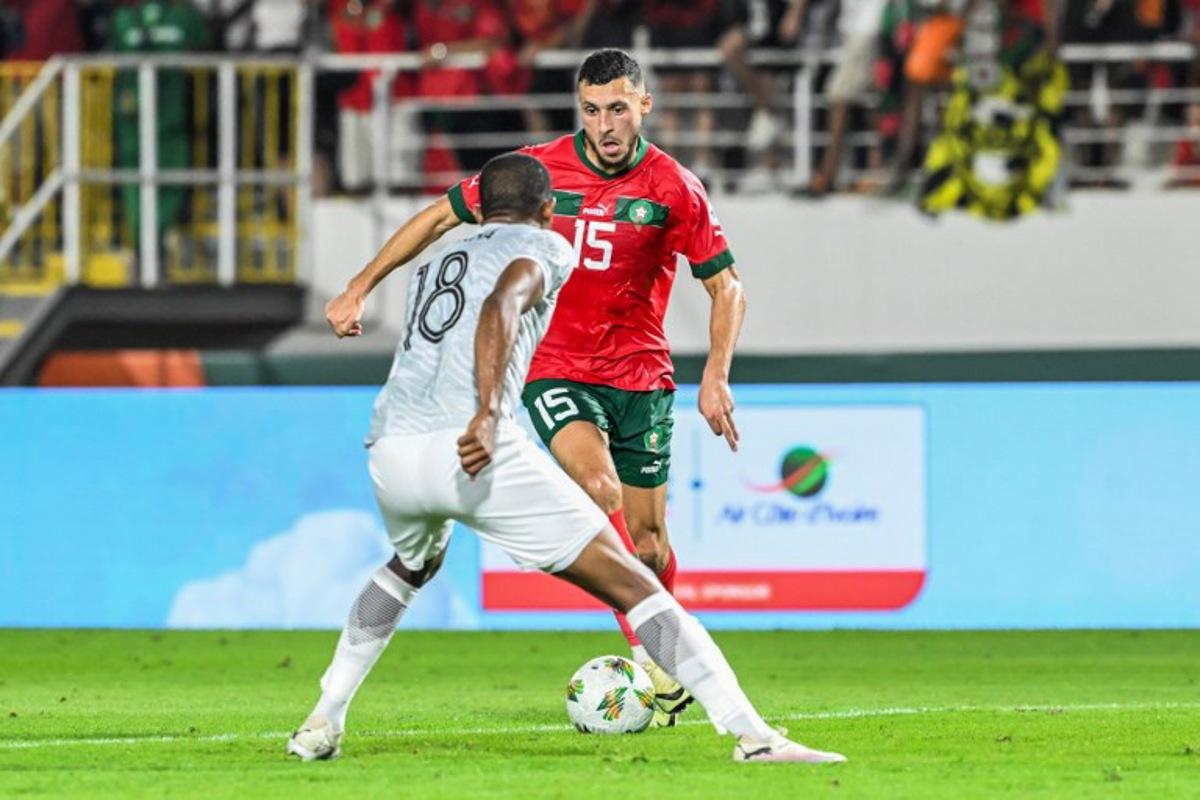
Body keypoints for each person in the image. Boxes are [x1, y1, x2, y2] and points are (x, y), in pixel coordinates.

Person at [288, 152, 846, 766]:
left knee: (406, 569)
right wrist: (486, 414)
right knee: (636, 582)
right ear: (549, 210)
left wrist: (360, 287)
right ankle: (752, 735)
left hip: (391, 452)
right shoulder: (548, 248)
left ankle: (321, 721)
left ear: (479, 208)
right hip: (473, 450)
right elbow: (504, 302)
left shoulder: (437, 260)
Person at [324, 49, 746, 729]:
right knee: (599, 488)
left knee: (648, 543)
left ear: (644, 106)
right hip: (558, 369)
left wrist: (717, 375)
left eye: (616, 108)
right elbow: (437, 217)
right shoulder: (538, 171)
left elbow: (726, 286)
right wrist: (357, 285)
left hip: (641, 374)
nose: (603, 124)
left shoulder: (675, 187)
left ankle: (662, 658)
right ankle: (662, 663)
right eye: (589, 109)